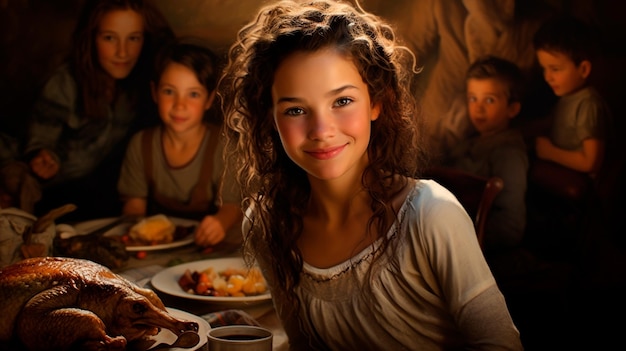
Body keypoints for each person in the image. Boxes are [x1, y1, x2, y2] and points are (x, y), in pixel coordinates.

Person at [219, 1, 523, 349]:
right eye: (296, 109)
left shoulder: (430, 215)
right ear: (270, 119)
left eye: (342, 101)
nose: (321, 129)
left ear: (377, 102)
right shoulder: (267, 223)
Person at [22, 0, 175, 221]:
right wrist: (43, 158)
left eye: (133, 38)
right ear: (91, 38)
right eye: (109, 38)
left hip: (111, 196)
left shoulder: (143, 82)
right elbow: (40, 141)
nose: (122, 52)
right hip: (59, 197)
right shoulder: (66, 82)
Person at [117, 40, 243, 249]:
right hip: (163, 249)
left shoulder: (223, 146)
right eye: (169, 91)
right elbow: (134, 208)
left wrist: (220, 223)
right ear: (154, 91)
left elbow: (232, 206)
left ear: (209, 99)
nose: (179, 105)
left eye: (193, 94)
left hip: (219, 248)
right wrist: (138, 233)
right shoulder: (142, 144)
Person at [444, 55, 528, 255]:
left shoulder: (509, 154)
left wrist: (459, 239)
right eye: (473, 98)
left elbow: (511, 226)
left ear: (512, 108)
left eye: (489, 100)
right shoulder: (467, 143)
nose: (478, 108)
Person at [532, 15, 611, 177]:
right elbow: (554, 122)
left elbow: (590, 162)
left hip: (576, 186)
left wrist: (550, 152)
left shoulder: (588, 104)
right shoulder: (568, 95)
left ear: (583, 69)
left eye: (555, 69)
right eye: (544, 69)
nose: (547, 77)